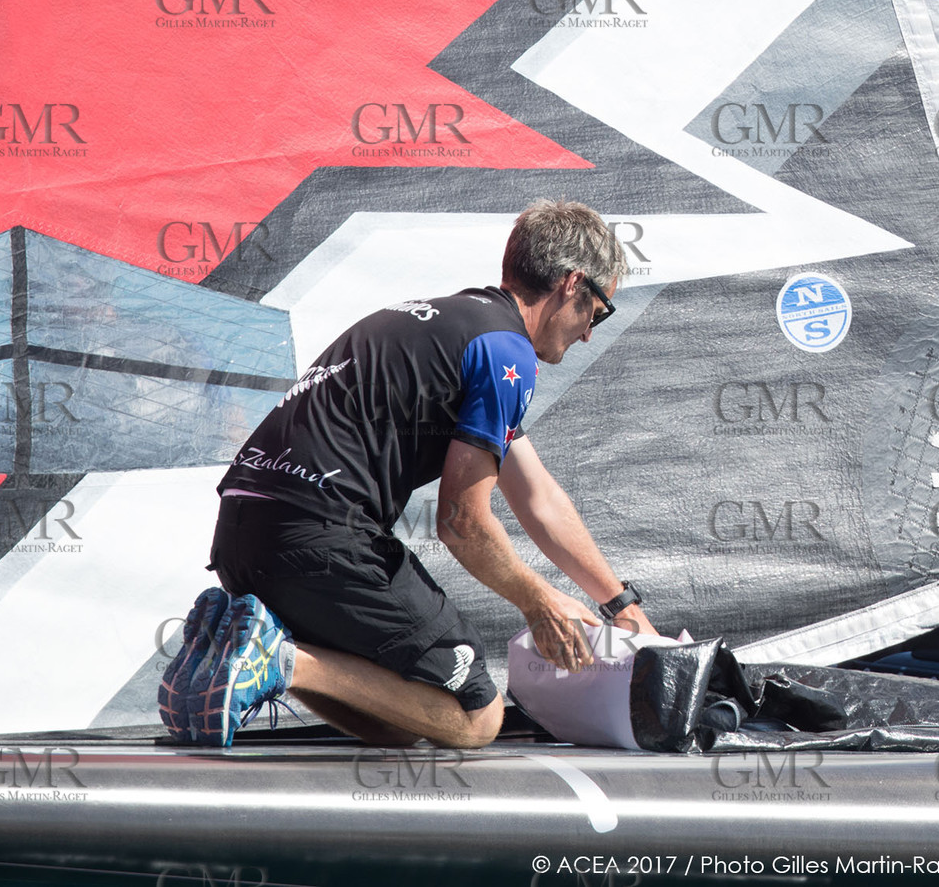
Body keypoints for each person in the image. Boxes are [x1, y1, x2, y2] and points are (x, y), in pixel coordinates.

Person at [159, 200, 656, 748]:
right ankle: (279, 658)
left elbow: (536, 496)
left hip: (241, 534)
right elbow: (462, 523)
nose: (589, 334)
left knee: (401, 725)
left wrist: (623, 608)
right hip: (318, 531)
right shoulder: (506, 351)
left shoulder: (455, 324)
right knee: (475, 718)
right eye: (600, 311)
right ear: (571, 284)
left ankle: (243, 648)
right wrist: (539, 602)